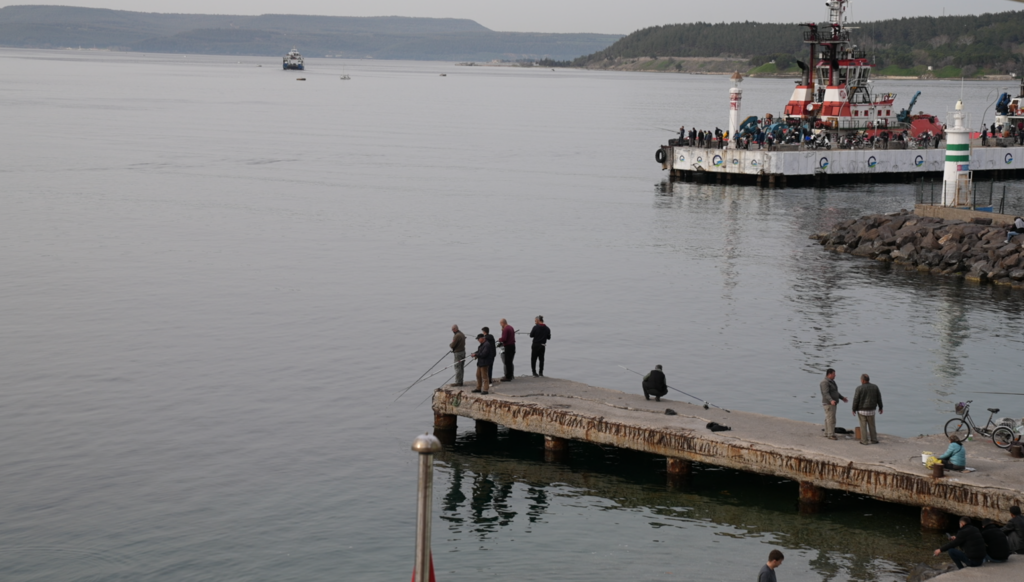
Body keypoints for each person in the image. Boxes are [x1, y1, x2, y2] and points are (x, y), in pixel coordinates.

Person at [850, 373, 883, 445]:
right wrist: (881, 407)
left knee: (863, 426)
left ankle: (864, 441)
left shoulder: (859, 388)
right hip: (872, 410)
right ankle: (874, 439)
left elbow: (856, 400)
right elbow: (879, 398)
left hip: (862, 410)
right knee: (872, 425)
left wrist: (853, 409)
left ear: (862, 380)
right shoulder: (875, 387)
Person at [820, 368, 847, 440]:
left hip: (833, 403)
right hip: (828, 403)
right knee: (831, 419)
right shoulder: (825, 382)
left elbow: (835, 392)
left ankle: (827, 432)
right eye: (834, 374)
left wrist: (842, 398)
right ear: (829, 374)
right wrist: (831, 400)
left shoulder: (832, 382)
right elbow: (825, 393)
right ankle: (831, 434)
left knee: (828, 418)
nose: (835, 375)